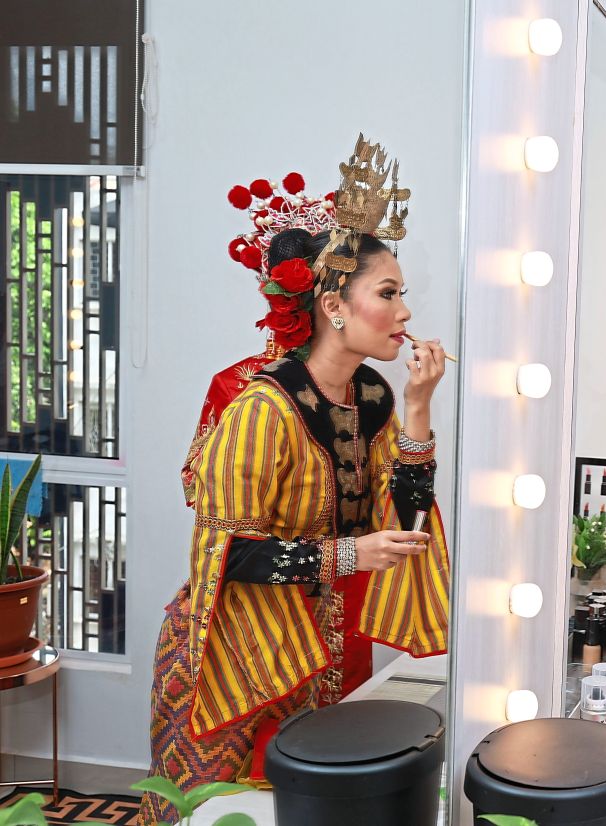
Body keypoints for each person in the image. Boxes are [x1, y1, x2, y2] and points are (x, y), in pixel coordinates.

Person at [138, 136, 451, 824]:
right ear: (333, 306)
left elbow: (405, 519)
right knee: (213, 814)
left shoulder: (372, 397)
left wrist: (420, 410)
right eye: (390, 293)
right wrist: (350, 554)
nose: (405, 312)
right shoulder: (258, 404)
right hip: (234, 648)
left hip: (328, 643)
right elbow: (223, 551)